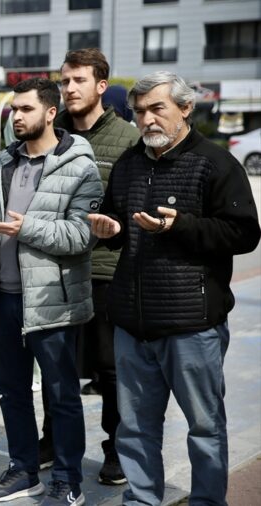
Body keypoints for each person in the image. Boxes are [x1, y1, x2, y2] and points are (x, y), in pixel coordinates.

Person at [88, 71, 261, 506]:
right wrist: (107, 230)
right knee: (135, 428)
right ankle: (142, 500)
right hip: (132, 325)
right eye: (139, 111)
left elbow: (244, 234)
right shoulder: (129, 163)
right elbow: (116, 223)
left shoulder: (216, 163)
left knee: (204, 426)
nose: (146, 119)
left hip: (192, 327)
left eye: (156, 109)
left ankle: (206, 501)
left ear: (185, 108)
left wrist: (180, 226)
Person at [0, 77, 102, 506]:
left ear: (50, 112)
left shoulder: (80, 163)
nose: (17, 117)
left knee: (62, 394)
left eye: (25, 109)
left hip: (53, 302)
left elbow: (81, 236)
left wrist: (26, 227)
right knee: (11, 391)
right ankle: (24, 469)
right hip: (4, 297)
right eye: (13, 109)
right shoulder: (4, 162)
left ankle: (67, 480)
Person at [35, 47, 139, 485]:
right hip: (53, 269)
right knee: (56, 365)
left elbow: (137, 210)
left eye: (78, 80)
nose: (69, 88)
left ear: (101, 85)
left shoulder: (128, 140)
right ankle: (53, 439)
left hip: (105, 272)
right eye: (64, 81)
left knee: (110, 369)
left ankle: (116, 450)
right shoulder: (49, 134)